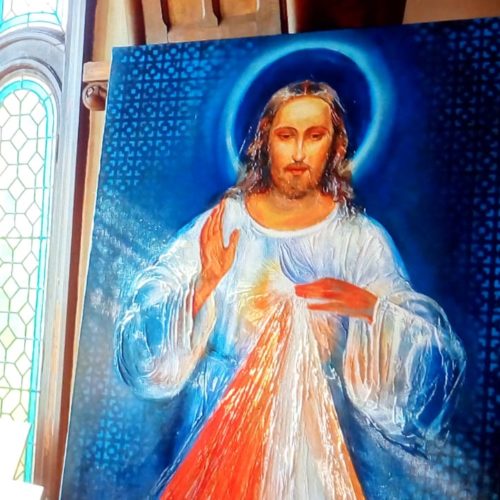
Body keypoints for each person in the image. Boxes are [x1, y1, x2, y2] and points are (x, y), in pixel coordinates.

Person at [115, 81, 466, 499]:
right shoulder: (224, 223)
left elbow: (432, 355)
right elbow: (139, 344)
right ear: (265, 140)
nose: (299, 153)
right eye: (286, 135)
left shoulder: (357, 239)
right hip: (224, 441)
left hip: (318, 447)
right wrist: (203, 285)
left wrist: (372, 309)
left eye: (314, 136)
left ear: (335, 146)